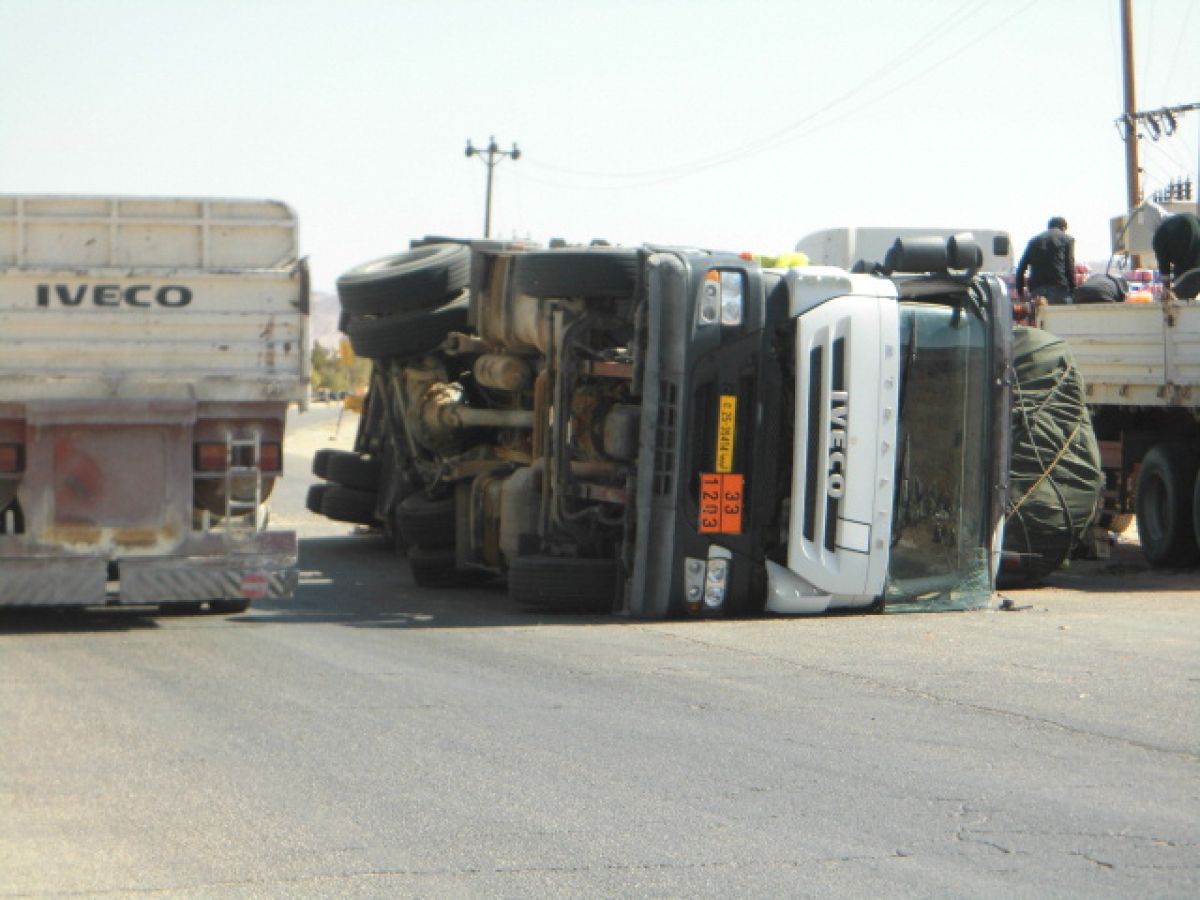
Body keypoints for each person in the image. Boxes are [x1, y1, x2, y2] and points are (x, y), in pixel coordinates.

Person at [1016, 216, 1076, 304]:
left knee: (1040, 317)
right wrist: (1073, 290)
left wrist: (1020, 292)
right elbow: (1069, 266)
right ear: (1063, 228)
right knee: (1062, 316)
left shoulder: (1033, 241)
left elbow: (1021, 268)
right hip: (1059, 290)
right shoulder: (1067, 239)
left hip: (1037, 292)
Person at [1151, 212, 1200, 299]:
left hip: (1186, 276)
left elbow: (1164, 269)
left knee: (1181, 305)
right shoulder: (1192, 218)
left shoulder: (1159, 236)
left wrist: (1167, 291)